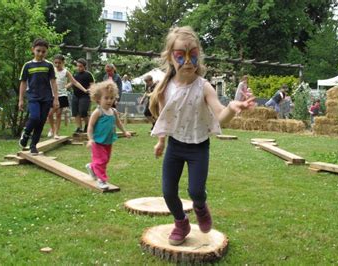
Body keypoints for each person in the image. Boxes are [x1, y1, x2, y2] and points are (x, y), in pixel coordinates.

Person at [149, 26, 256, 246]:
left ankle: (200, 206)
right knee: (168, 192)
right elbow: (165, 119)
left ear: (199, 56)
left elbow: (220, 116)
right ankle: (181, 222)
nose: (187, 61)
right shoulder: (164, 88)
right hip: (175, 146)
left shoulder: (204, 87)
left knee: (195, 191)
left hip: (198, 147)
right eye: (181, 56)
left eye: (193, 55)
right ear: (170, 57)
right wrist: (161, 141)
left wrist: (232, 108)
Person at [85, 80, 131, 189]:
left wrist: (125, 131)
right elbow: (90, 126)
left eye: (112, 98)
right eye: (106, 98)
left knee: (105, 160)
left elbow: (118, 122)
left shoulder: (113, 111)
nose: (109, 100)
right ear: (98, 99)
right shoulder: (98, 112)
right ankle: (102, 180)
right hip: (97, 141)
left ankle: (91, 167)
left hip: (108, 141)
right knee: (102, 160)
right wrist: (90, 139)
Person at [18, 38, 59, 155]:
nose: (40, 53)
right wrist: (20, 99)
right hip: (33, 96)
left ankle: (33, 146)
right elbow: (23, 82)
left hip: (46, 98)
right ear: (33, 50)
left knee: (41, 122)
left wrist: (56, 98)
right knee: (35, 117)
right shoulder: (27, 66)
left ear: (47, 52)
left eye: (43, 51)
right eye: (38, 51)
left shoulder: (49, 65)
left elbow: (53, 82)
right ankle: (26, 133)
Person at [47, 54, 86, 139]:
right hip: (52, 95)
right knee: (49, 114)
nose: (57, 65)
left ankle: (56, 133)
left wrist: (85, 90)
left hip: (62, 95)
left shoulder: (66, 72)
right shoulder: (52, 70)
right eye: (55, 63)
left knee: (58, 114)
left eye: (59, 63)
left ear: (63, 62)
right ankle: (52, 129)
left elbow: (74, 82)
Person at [72, 58, 94, 133]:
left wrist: (90, 91)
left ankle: (88, 125)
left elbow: (92, 85)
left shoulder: (88, 74)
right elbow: (72, 83)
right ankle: (79, 128)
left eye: (80, 66)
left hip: (85, 96)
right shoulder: (75, 74)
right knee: (75, 112)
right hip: (75, 95)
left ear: (84, 67)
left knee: (83, 111)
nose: (78, 68)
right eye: (77, 66)